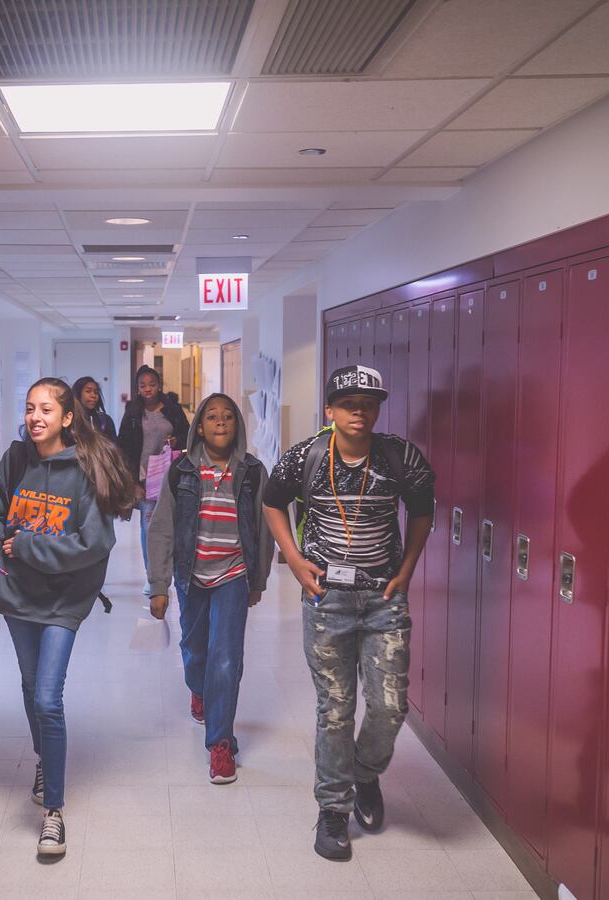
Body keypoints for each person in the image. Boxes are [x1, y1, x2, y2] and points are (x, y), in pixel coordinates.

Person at [261, 364, 435, 863]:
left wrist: (407, 570)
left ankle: (365, 773)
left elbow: (423, 510)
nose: (360, 412)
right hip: (326, 599)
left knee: (389, 705)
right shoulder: (306, 457)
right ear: (330, 410)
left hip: (383, 596)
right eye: (350, 404)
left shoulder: (400, 456)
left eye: (369, 404)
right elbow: (272, 503)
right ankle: (333, 809)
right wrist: (293, 559)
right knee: (334, 709)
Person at [0, 377, 135, 859]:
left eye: (46, 409)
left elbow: (93, 544)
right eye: (29, 408)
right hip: (17, 595)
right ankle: (45, 758)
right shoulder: (17, 458)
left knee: (47, 698)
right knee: (29, 685)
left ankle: (54, 814)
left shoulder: (85, 469)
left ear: (67, 418)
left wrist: (23, 545)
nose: (35, 417)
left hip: (64, 600)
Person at [146, 393, 273, 784]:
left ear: (237, 426)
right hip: (191, 576)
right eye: (212, 417)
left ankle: (220, 742)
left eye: (228, 417)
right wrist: (158, 586)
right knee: (195, 649)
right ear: (199, 425)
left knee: (225, 657)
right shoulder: (183, 470)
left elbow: (265, 530)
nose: (220, 423)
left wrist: (259, 580)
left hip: (234, 575)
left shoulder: (252, 472)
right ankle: (199, 690)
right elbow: (162, 527)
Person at [116, 365, 189, 592]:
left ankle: (173, 572)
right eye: (142, 385)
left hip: (170, 478)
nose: (147, 389)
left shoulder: (172, 409)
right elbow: (124, 448)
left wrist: (176, 440)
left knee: (172, 527)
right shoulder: (133, 412)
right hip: (145, 480)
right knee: (149, 529)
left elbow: (188, 436)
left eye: (152, 384)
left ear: (159, 386)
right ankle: (153, 577)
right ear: (138, 389)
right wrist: (133, 483)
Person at [72, 376, 117, 442]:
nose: (93, 395)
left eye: (96, 392)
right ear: (78, 394)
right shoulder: (69, 419)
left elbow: (113, 446)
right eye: (88, 391)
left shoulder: (105, 420)